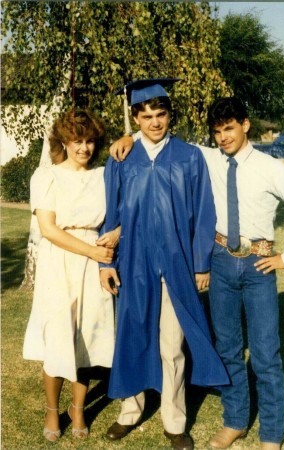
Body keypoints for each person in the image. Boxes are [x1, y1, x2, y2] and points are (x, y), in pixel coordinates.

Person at [108, 96, 284, 450]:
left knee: (265, 354)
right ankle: (235, 421)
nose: (223, 137)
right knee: (229, 348)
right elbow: (156, 143)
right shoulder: (206, 157)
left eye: (229, 128)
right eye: (217, 131)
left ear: (245, 125)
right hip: (220, 261)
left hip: (257, 263)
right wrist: (126, 137)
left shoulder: (269, 167)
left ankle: (271, 434)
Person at [99, 79, 229, 450]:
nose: (155, 122)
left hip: (176, 264)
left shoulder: (189, 157)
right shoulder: (122, 158)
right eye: (147, 116)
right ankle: (130, 410)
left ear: (170, 115)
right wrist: (104, 265)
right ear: (136, 118)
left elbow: (204, 214)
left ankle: (174, 421)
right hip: (133, 262)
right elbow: (111, 214)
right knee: (133, 335)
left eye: (161, 114)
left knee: (172, 345)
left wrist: (200, 263)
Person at [23, 109, 120, 442]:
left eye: (90, 141)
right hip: (61, 259)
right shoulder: (46, 176)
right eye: (77, 140)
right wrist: (92, 252)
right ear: (64, 141)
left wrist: (116, 233)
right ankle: (52, 410)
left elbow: (121, 213)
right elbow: (49, 229)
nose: (84, 148)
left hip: (94, 259)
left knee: (88, 337)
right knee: (59, 336)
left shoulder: (104, 175)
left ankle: (78, 408)